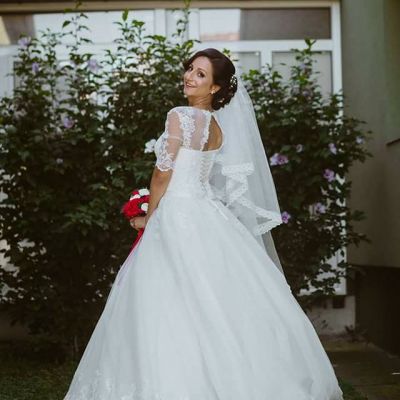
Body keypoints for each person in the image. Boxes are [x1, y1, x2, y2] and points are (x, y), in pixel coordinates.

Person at [63, 48, 344, 400]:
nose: (189, 77)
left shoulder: (180, 115)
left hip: (176, 213)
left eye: (200, 74)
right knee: (215, 300)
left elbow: (163, 172)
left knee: (166, 299)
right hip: (206, 214)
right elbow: (203, 176)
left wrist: (150, 216)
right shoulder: (217, 128)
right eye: (190, 69)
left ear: (214, 87)